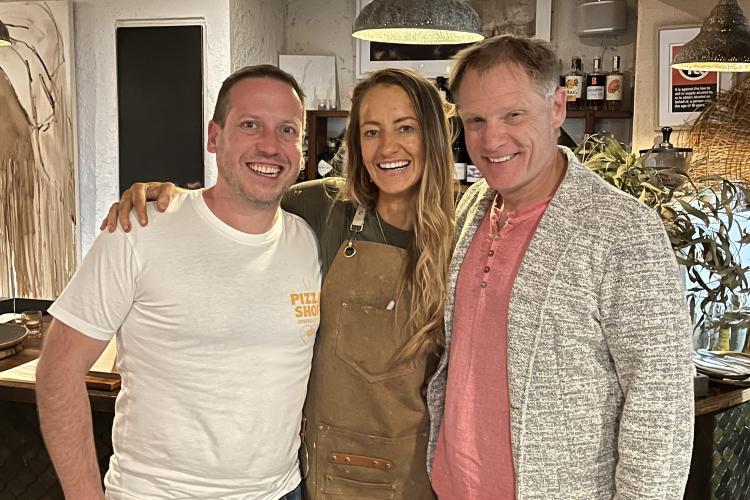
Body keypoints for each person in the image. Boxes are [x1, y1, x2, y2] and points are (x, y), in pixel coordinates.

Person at [101, 67, 456, 499]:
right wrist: (173, 200)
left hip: (411, 475)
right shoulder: (322, 207)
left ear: (433, 138)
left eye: (406, 128)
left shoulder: (466, 235)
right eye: (371, 131)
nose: (388, 148)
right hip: (318, 474)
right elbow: (237, 200)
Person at [426, 35, 695, 499]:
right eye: (475, 120)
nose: (492, 139)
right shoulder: (473, 204)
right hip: (451, 485)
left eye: (513, 114)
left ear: (556, 107)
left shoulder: (623, 230)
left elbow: (661, 404)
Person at [36, 65, 321, 500]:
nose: (271, 145)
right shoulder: (142, 229)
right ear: (214, 137)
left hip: (281, 491)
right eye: (250, 125)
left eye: (287, 130)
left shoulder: (308, 240)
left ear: (301, 148)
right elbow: (57, 373)